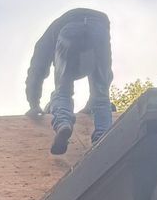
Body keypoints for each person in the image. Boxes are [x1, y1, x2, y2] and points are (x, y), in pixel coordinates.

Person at [25, 8, 113, 155]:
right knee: (101, 94)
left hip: (69, 30)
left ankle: (63, 123)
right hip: (100, 29)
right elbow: (104, 77)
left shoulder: (47, 41)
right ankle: (104, 136)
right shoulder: (94, 31)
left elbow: (36, 70)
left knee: (62, 91)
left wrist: (34, 103)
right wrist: (92, 103)